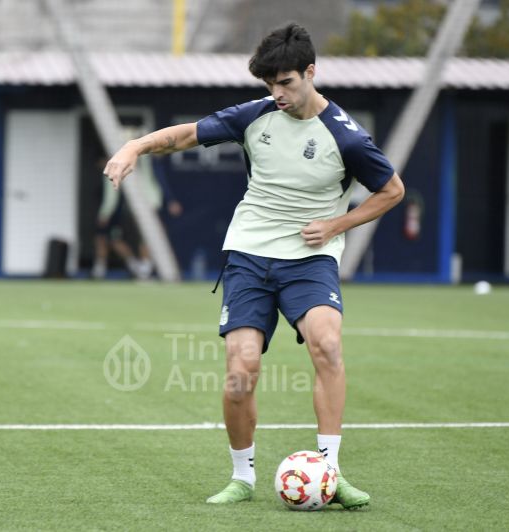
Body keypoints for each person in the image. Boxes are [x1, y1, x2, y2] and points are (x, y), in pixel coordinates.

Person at [103, 23, 404, 508]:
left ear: (310, 73)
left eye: (285, 82)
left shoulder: (346, 137)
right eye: (269, 84)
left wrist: (335, 225)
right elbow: (185, 135)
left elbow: (393, 192)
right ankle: (242, 477)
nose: (277, 93)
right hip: (250, 254)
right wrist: (133, 146)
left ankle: (329, 471)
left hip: (310, 257)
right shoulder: (255, 116)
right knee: (241, 370)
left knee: (327, 345)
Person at [92, 153, 182, 280]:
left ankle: (143, 267)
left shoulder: (146, 163)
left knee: (144, 236)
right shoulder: (141, 161)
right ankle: (141, 267)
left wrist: (105, 214)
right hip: (144, 204)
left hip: (147, 204)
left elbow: (111, 196)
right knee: (137, 237)